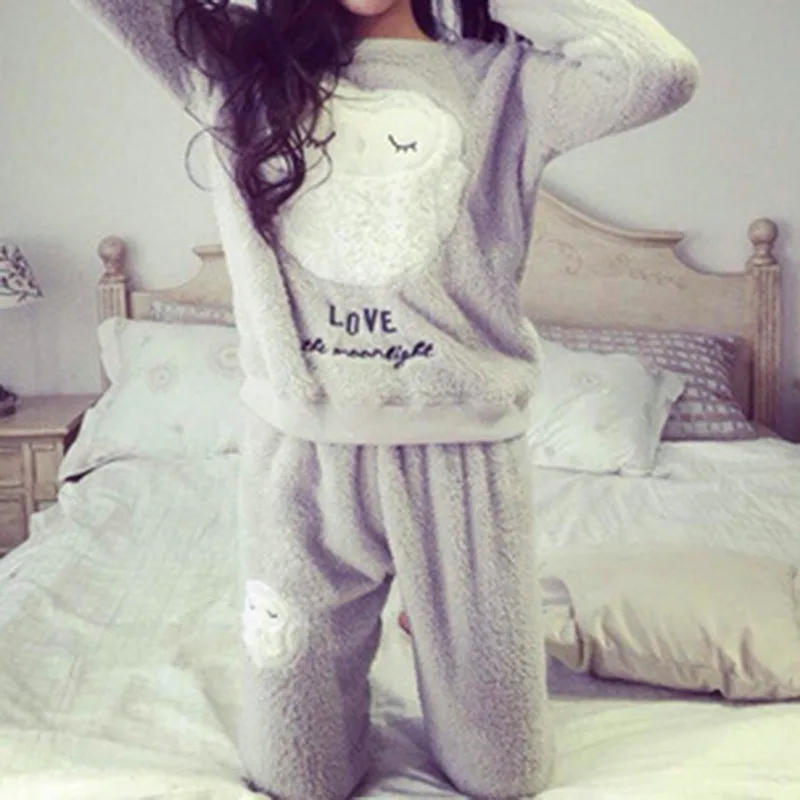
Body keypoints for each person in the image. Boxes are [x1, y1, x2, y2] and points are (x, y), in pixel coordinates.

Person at [71, 1, 699, 797]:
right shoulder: (236, 72)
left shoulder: (505, 87)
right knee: (299, 778)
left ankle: (435, 657)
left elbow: (657, 71)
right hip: (302, 462)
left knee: (503, 776)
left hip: (466, 460)